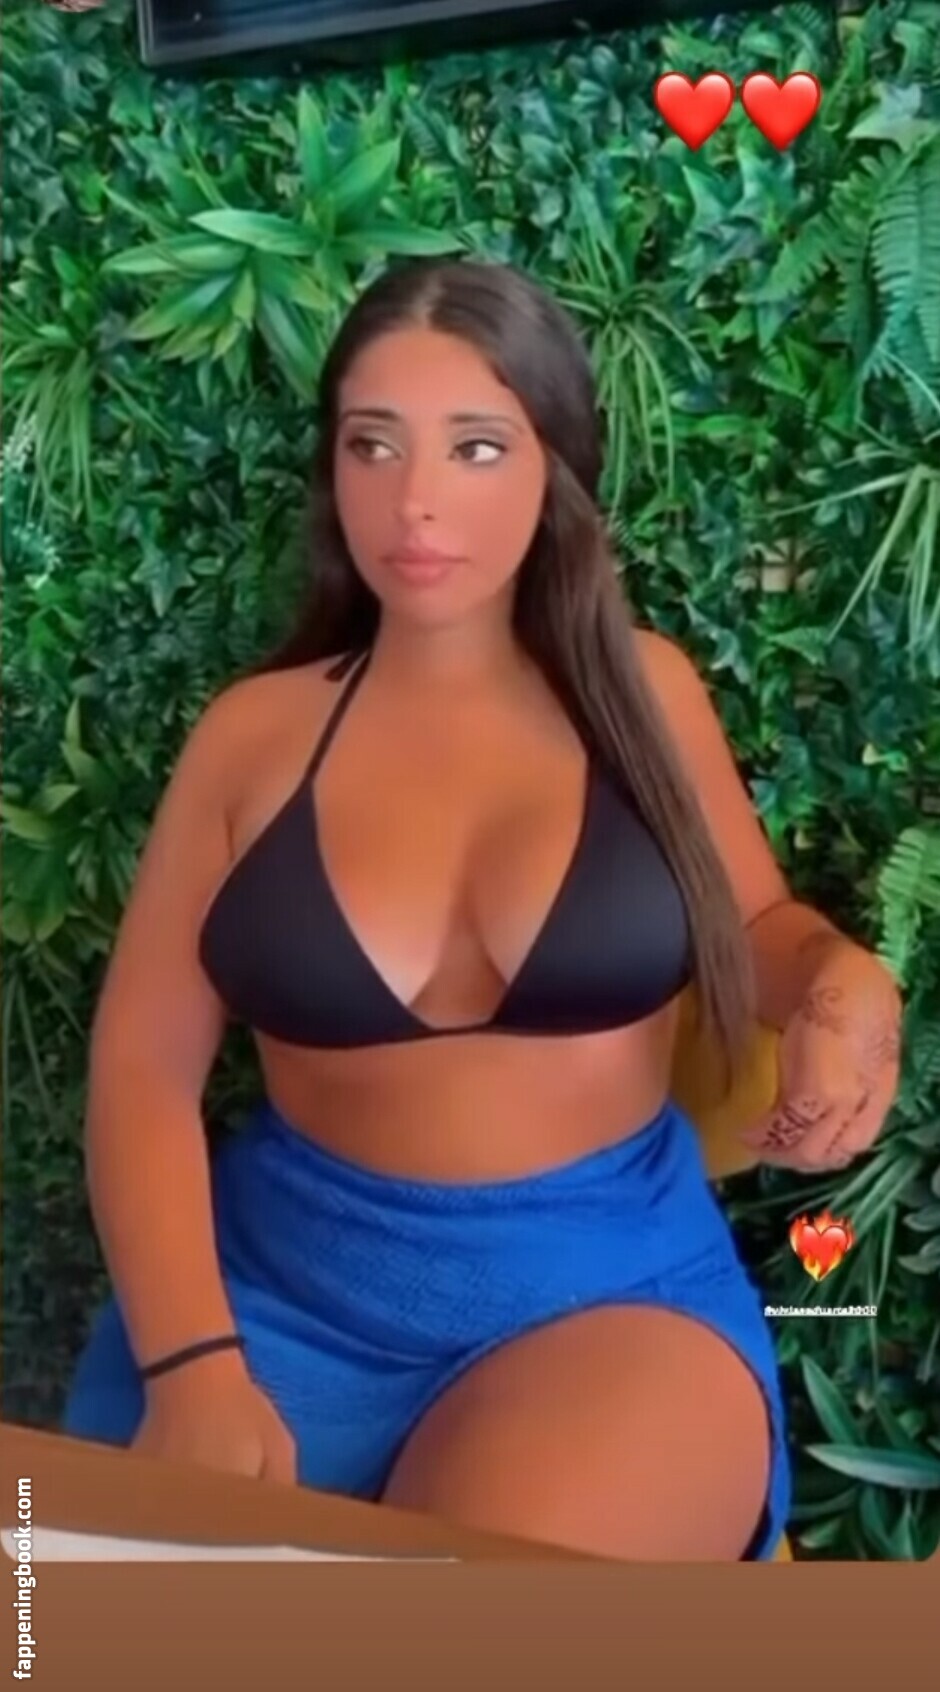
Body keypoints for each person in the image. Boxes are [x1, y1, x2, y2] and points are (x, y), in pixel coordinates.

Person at [62, 257, 903, 1560]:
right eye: (373, 444)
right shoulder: (252, 738)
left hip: (604, 1302)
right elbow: (141, 1067)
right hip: (279, 1300)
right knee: (95, 1631)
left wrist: (848, 980)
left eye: (475, 446)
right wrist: (191, 1366)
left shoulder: (645, 697)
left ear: (551, 465)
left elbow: (757, 931)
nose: (416, 499)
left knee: (461, 1629)